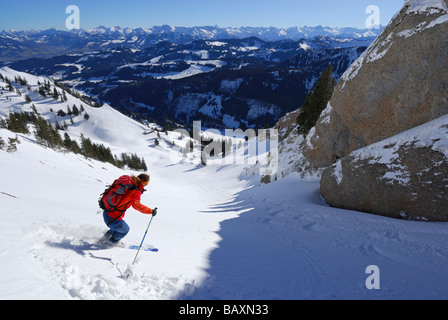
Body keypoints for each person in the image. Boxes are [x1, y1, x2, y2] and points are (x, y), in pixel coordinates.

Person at [103, 173, 157, 245]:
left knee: (116, 228)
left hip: (107, 211)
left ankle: (104, 239)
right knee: (125, 230)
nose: (145, 186)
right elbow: (136, 205)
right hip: (113, 217)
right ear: (143, 183)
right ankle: (109, 243)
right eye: (146, 184)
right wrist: (150, 211)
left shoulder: (130, 184)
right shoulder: (136, 190)